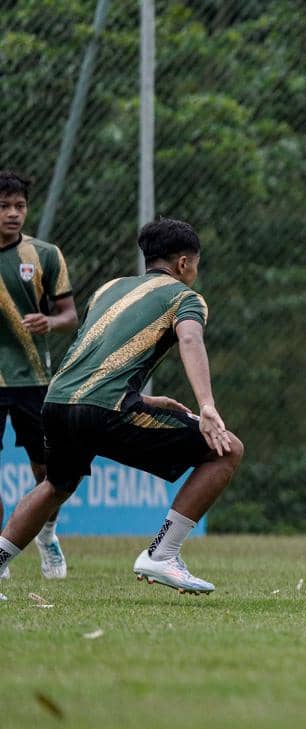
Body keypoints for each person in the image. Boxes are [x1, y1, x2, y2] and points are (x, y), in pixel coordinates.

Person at [0, 217, 242, 598]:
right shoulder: (185, 297)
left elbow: (91, 358)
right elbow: (190, 340)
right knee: (226, 450)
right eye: (195, 264)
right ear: (183, 263)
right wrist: (207, 405)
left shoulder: (109, 289)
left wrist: (142, 400)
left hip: (57, 402)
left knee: (56, 485)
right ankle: (162, 554)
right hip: (106, 408)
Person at [0, 171, 78, 585]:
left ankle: (46, 533)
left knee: (48, 473)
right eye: (3, 206)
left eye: (20, 206)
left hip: (33, 380)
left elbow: (70, 315)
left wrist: (50, 321)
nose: (13, 214)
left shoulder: (45, 254)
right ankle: (1, 554)